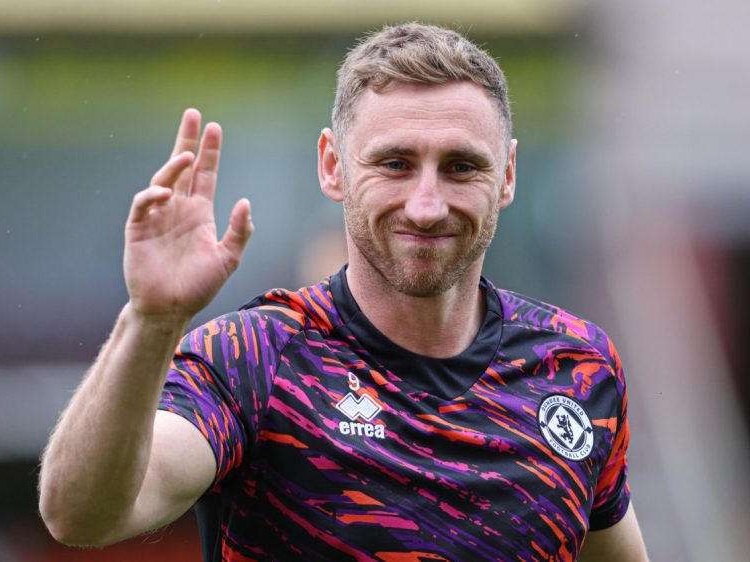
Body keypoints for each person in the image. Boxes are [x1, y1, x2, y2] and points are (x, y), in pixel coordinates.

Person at [38, 22, 649, 562]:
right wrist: (150, 320)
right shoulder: (259, 357)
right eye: (395, 164)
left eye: (462, 167)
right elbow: (80, 516)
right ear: (333, 166)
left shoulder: (577, 368)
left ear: (508, 175)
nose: (428, 205)